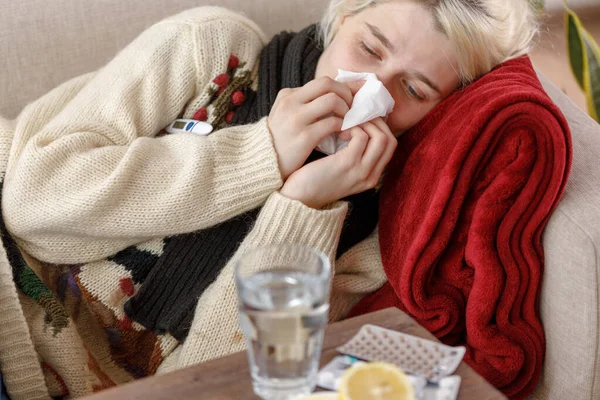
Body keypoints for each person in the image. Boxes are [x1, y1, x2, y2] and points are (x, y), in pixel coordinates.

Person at [0, 0, 538, 397]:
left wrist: (303, 208)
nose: (369, 89)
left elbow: (214, 381)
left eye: (414, 90)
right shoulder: (216, 53)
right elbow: (33, 209)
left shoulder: (371, 235)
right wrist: (261, 153)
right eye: (369, 48)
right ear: (343, 16)